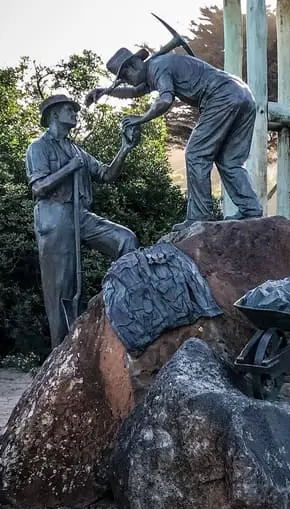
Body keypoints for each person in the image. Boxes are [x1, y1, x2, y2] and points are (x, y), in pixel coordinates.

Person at [87, 48, 263, 226]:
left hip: (221, 96)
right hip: (244, 95)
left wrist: (140, 119)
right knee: (230, 160)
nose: (127, 82)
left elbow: (165, 101)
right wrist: (105, 91)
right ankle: (250, 209)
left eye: (126, 77)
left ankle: (200, 216)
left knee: (196, 155)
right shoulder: (156, 68)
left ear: (135, 65)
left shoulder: (157, 68)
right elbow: (134, 92)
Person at [25, 93, 140, 348]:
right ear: (54, 114)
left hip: (80, 215)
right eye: (70, 109)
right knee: (61, 290)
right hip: (54, 216)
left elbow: (107, 174)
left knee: (125, 240)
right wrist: (70, 168)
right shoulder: (38, 147)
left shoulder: (76, 150)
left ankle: (124, 309)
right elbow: (39, 188)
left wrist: (125, 147)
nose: (76, 113)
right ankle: (62, 352)